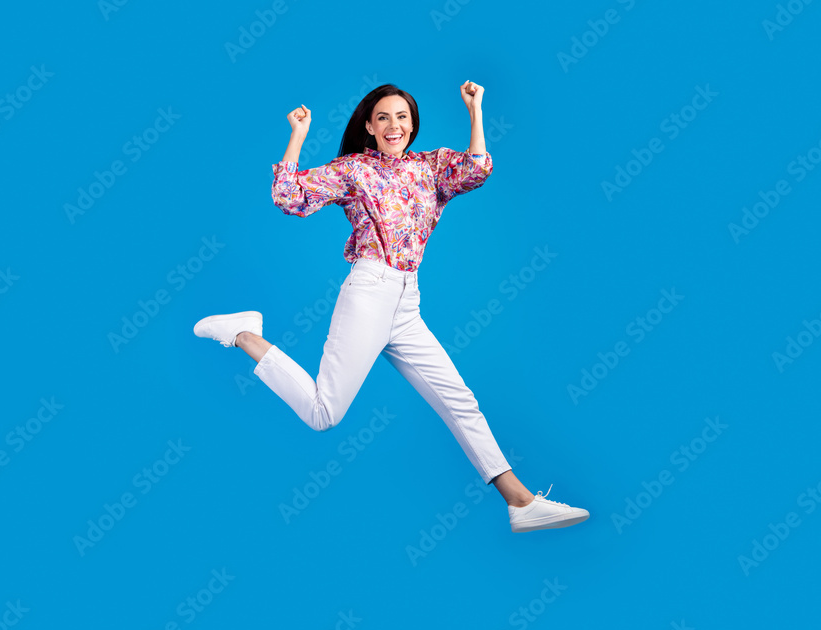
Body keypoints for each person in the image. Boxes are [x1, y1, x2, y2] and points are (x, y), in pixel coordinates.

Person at [194, 81, 589, 532]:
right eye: (383, 117)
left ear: (412, 124)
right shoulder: (355, 168)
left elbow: (478, 169)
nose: (393, 125)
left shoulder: (430, 166)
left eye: (402, 117)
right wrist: (298, 136)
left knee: (460, 400)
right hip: (370, 290)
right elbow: (288, 197)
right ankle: (243, 333)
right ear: (369, 125)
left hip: (406, 301)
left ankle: (519, 502)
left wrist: (476, 111)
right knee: (324, 414)